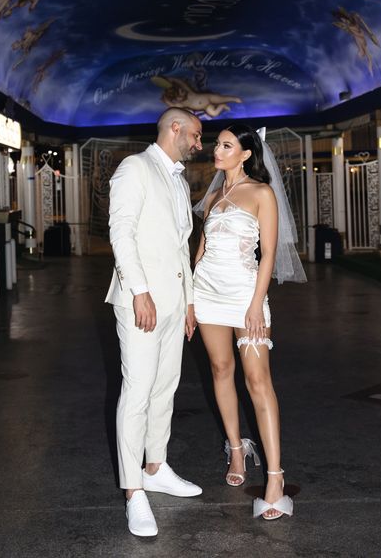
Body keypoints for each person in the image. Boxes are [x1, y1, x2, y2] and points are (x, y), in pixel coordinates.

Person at [193, 123, 306, 521]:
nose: (216, 150)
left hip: (245, 297)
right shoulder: (213, 196)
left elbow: (269, 253)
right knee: (220, 370)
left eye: (226, 145)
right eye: (216, 144)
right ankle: (237, 451)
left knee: (257, 380)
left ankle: (275, 478)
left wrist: (257, 304)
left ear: (245, 153)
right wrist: (191, 299)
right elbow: (202, 248)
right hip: (206, 295)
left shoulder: (262, 192)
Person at [106, 107, 203, 537]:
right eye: (197, 135)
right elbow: (120, 231)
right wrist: (139, 291)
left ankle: (156, 467)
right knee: (138, 392)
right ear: (175, 129)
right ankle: (133, 492)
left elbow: (182, 247)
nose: (200, 144)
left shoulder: (179, 179)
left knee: (165, 389)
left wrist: (188, 303)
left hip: (172, 304)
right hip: (140, 302)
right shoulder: (135, 167)